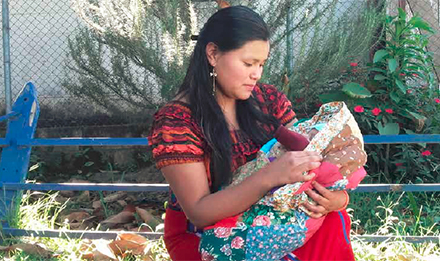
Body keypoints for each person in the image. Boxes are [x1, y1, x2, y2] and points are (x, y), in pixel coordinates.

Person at [148, 6, 355, 261]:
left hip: (272, 219)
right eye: (248, 63)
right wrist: (270, 176)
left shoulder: (268, 102)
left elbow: (309, 166)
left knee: (332, 219)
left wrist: (337, 199)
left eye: (261, 64)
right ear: (213, 54)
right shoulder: (178, 121)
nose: (256, 74)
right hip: (206, 234)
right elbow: (199, 212)